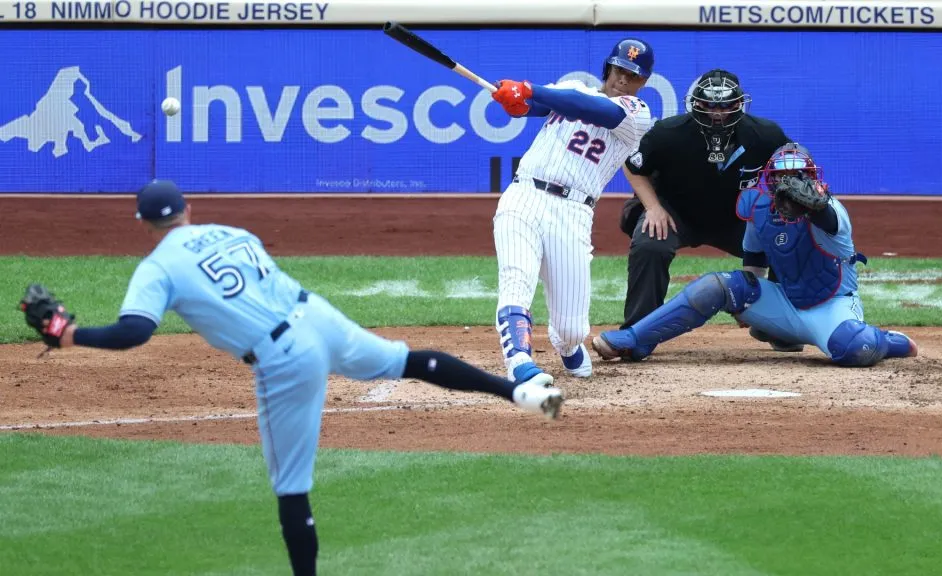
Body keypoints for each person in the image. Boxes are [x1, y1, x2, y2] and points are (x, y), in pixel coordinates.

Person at [17, 180, 564, 576]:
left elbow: (134, 331)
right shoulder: (231, 230)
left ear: (144, 224)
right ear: (188, 210)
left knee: (291, 486)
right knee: (408, 360)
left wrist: (68, 335)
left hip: (283, 359)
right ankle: (517, 390)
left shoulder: (156, 267)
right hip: (319, 317)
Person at [592, 143, 919, 367]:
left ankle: (888, 342)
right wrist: (751, 309)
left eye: (797, 179)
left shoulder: (831, 210)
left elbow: (827, 220)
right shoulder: (760, 209)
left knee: (850, 348)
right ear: (770, 182)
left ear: (811, 180)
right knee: (717, 286)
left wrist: (811, 204)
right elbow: (754, 269)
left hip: (830, 308)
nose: (789, 186)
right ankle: (635, 338)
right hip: (785, 306)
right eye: (781, 179)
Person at [487, 38, 656, 384]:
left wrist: (530, 89)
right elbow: (531, 107)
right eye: (620, 69)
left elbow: (591, 109)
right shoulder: (571, 88)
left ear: (643, 82)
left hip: (573, 213)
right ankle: (520, 361)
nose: (624, 78)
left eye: (633, 75)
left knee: (571, 327)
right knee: (516, 281)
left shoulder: (637, 114)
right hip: (523, 195)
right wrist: (515, 100)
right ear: (608, 67)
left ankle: (566, 344)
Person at [619, 68, 803, 358]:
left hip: (737, 220)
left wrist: (782, 206)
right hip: (678, 214)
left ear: (740, 104)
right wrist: (653, 208)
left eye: (726, 106)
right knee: (649, 242)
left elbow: (792, 166)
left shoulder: (765, 134)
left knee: (787, 237)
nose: (718, 114)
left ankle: (777, 326)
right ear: (696, 104)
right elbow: (632, 165)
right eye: (710, 106)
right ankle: (638, 332)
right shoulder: (669, 132)